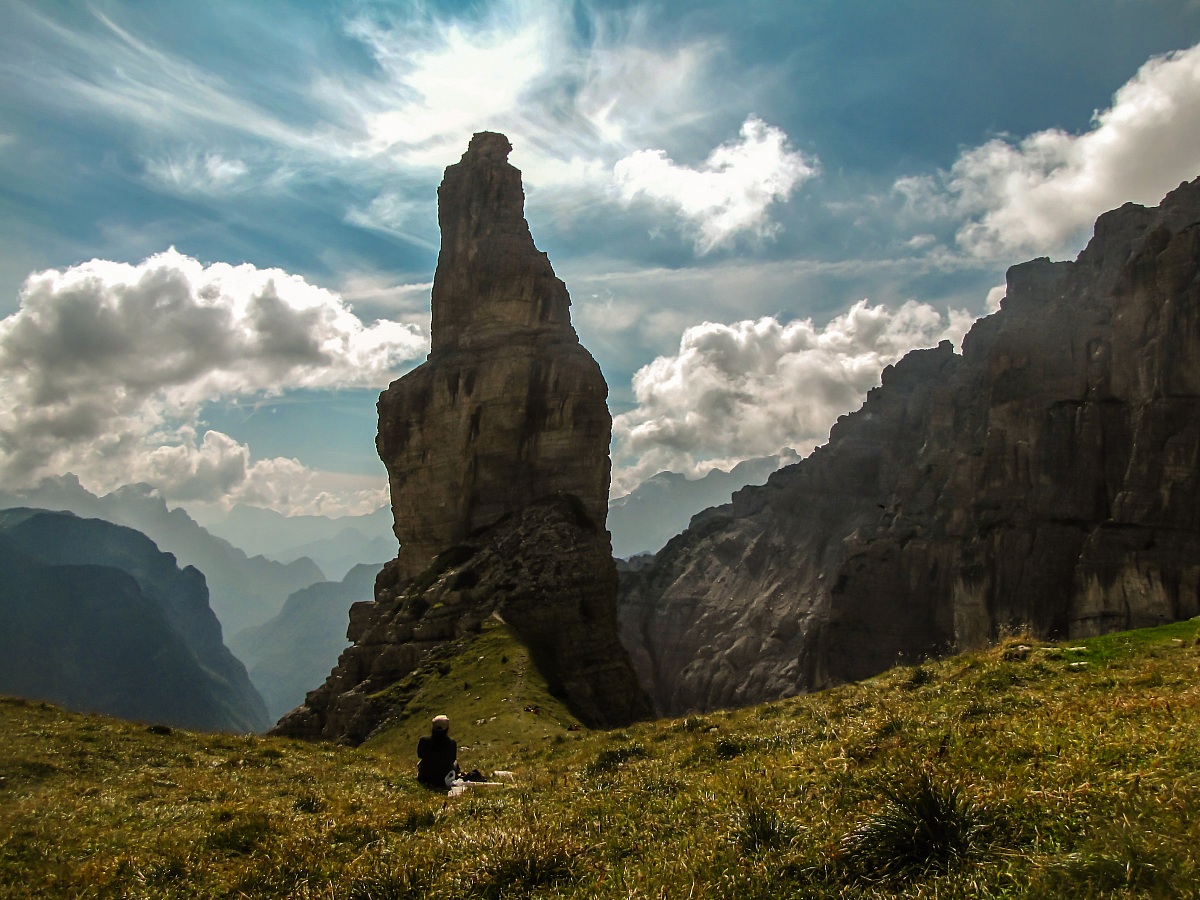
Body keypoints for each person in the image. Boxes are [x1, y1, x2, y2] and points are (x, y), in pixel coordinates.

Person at [417, 714, 459, 789]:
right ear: (447, 728)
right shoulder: (451, 743)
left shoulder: (423, 740)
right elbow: (453, 759)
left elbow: (420, 755)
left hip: (425, 777)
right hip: (443, 779)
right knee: (456, 764)